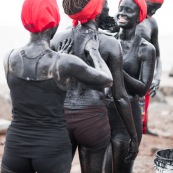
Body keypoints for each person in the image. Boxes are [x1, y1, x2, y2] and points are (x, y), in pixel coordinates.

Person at [1, 0, 114, 172]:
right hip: (51, 148)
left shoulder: (9, 58)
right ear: (54, 22)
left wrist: (57, 59)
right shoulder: (64, 62)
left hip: (15, 147)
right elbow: (107, 79)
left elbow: (31, 91)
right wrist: (93, 52)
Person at [51, 0, 139, 172]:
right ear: (96, 9)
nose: (108, 7)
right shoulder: (110, 43)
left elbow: (50, 84)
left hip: (61, 118)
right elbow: (119, 96)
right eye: (105, 3)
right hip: (92, 120)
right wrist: (133, 136)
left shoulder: (57, 39)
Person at [104, 0, 156, 172]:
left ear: (139, 17)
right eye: (120, 9)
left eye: (129, 10)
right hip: (103, 115)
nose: (122, 13)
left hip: (126, 120)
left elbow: (142, 88)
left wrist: (118, 69)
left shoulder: (146, 49)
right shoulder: (107, 42)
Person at [136, 0, 164, 135]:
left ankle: (144, 128)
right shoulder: (126, 16)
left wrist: (157, 78)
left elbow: (158, 56)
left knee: (142, 110)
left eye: (158, 9)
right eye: (152, 7)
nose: (154, 12)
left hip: (144, 75)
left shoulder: (151, 23)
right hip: (126, 74)